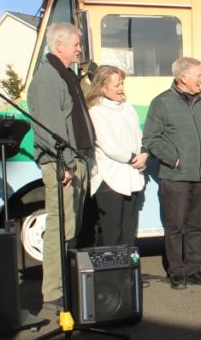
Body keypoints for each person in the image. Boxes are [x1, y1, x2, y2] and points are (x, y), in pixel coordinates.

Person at [27, 22, 95, 307]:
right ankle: (55, 292)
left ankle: (66, 283)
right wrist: (66, 163)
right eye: (76, 44)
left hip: (75, 161)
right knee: (60, 227)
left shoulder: (65, 74)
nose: (80, 49)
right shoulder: (48, 77)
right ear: (59, 46)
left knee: (71, 227)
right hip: (62, 165)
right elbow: (49, 128)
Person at [142, 57, 201, 290]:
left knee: (197, 226)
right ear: (184, 78)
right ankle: (177, 272)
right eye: (198, 74)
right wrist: (174, 159)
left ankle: (194, 269)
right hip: (175, 178)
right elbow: (150, 139)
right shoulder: (161, 103)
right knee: (175, 228)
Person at [86, 65, 148, 247]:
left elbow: (138, 135)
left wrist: (144, 154)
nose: (121, 88)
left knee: (129, 234)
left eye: (122, 83)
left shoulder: (128, 108)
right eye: (116, 85)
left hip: (132, 176)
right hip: (110, 180)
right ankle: (114, 276)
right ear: (103, 87)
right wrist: (133, 158)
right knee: (114, 235)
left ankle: (128, 275)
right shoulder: (96, 111)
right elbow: (109, 145)